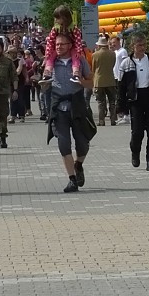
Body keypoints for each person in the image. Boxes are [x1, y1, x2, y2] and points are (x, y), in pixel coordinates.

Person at [46, 33, 95, 192]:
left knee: (83, 144)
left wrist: (82, 81)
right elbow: (45, 80)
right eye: (57, 45)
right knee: (63, 144)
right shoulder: (51, 62)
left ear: (70, 45)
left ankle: (78, 164)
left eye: (62, 44)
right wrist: (42, 84)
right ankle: (72, 179)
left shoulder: (79, 61)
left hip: (77, 105)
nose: (58, 47)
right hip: (59, 108)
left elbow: (91, 82)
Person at [119, 35, 149, 171]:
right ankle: (135, 151)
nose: (142, 48)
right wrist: (121, 106)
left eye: (144, 45)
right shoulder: (126, 63)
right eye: (139, 45)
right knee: (137, 132)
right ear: (132, 46)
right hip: (135, 100)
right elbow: (121, 87)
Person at [42, 4, 86, 79]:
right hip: (57, 47)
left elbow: (78, 40)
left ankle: (76, 72)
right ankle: (48, 71)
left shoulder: (73, 28)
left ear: (64, 18)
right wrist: (48, 52)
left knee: (75, 56)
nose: (56, 20)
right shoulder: (55, 28)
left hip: (71, 47)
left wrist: (79, 51)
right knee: (50, 57)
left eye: (58, 18)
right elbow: (50, 40)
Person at [92, 34, 119, 126]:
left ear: (99, 45)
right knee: (112, 101)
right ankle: (113, 120)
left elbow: (93, 68)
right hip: (110, 79)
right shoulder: (112, 54)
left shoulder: (95, 55)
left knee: (100, 102)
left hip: (99, 80)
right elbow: (113, 65)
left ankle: (101, 120)